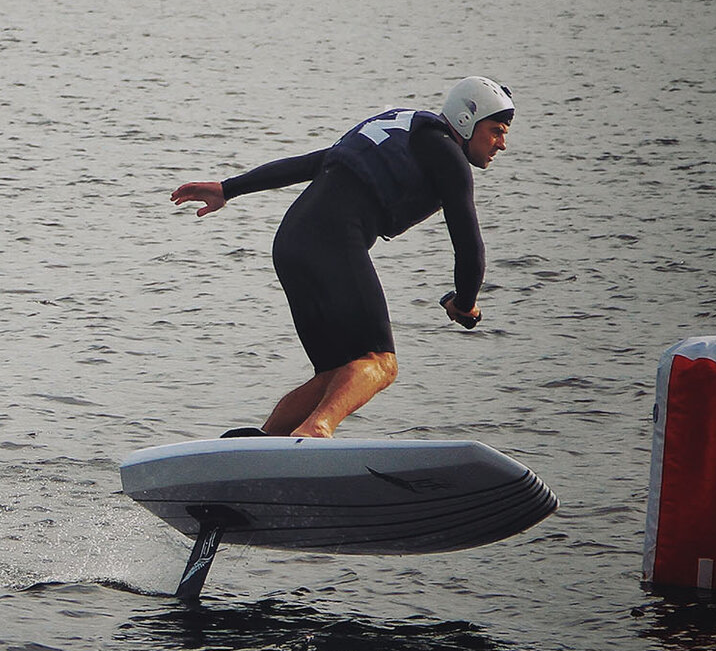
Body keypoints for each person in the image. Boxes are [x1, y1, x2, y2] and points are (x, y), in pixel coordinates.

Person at [169, 78, 515, 438]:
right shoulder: (448, 156)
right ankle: (318, 429)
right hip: (333, 239)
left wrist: (229, 188)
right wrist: (466, 303)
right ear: (465, 120)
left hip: (291, 241)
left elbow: (313, 162)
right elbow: (468, 245)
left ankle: (261, 448)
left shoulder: (402, 125)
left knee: (335, 375)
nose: (501, 144)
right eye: (495, 131)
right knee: (381, 364)